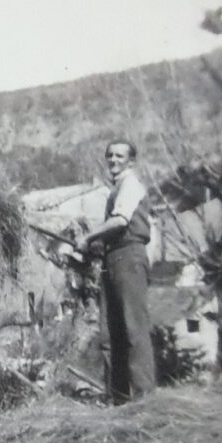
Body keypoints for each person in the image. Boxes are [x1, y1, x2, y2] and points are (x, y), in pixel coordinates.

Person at [76, 139, 155, 405]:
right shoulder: (116, 189)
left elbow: (121, 221)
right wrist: (96, 245)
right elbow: (114, 230)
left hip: (130, 257)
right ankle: (120, 400)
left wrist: (89, 237)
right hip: (113, 259)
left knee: (134, 329)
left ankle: (144, 399)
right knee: (111, 334)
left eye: (120, 156)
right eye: (110, 155)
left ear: (131, 161)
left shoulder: (131, 184)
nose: (113, 160)